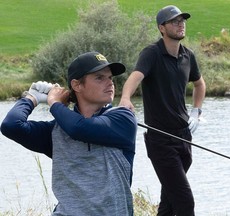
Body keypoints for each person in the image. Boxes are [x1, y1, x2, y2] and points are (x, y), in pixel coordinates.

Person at [1, 51, 137, 215]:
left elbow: (79, 128)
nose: (110, 83)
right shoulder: (57, 131)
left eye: (110, 78)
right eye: (100, 78)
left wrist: (54, 103)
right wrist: (31, 98)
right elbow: (11, 126)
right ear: (77, 85)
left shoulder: (123, 118)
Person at [119, 5, 206, 216]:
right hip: (161, 140)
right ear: (162, 28)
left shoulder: (188, 55)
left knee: (168, 203)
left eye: (182, 20)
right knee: (185, 202)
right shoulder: (152, 53)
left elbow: (199, 84)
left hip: (185, 138)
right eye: (174, 21)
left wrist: (196, 111)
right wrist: (125, 98)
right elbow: (135, 77)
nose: (180, 24)